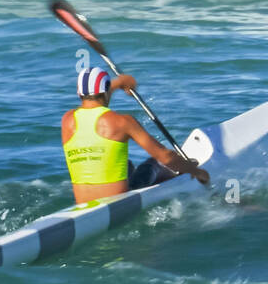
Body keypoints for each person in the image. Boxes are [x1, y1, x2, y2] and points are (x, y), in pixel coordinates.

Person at [62, 68, 210, 204]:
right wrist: (197, 172)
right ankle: (180, 178)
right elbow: (165, 157)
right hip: (118, 204)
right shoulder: (122, 122)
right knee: (155, 163)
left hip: (82, 203)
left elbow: (94, 98)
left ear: (79, 93)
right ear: (106, 90)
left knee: (128, 165)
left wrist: (118, 83)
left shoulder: (67, 120)